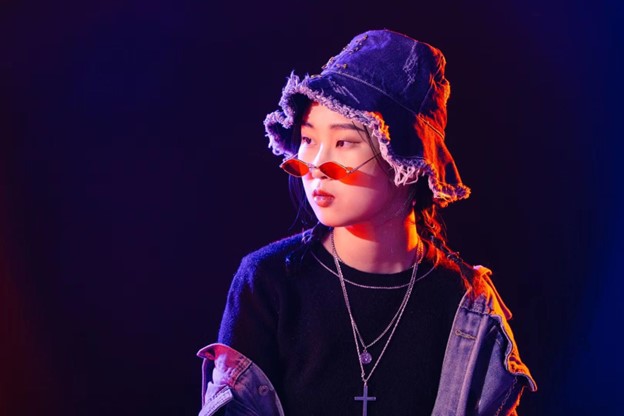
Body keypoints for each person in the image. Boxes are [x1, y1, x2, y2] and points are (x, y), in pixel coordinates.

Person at [196, 29, 537, 416]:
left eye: (344, 142)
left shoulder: (466, 302)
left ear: (406, 160)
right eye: (308, 139)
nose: (315, 166)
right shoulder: (268, 281)